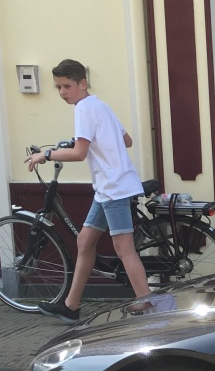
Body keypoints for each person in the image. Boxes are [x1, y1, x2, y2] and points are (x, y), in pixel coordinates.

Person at [26, 59, 150, 322]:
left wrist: (45, 155)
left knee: (124, 248)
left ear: (83, 83)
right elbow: (126, 140)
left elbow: (80, 153)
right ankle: (71, 306)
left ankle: (147, 305)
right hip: (108, 188)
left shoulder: (83, 109)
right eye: (58, 87)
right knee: (85, 242)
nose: (62, 92)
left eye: (67, 86)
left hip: (113, 187)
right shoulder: (101, 106)